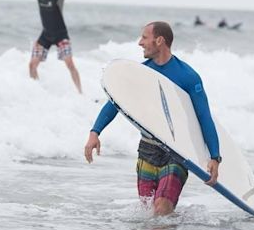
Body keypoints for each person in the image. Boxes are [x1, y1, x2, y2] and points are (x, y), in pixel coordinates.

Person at [84, 21, 221, 216]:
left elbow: (203, 116)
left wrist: (214, 156)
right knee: (148, 213)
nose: (140, 43)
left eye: (144, 37)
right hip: (147, 149)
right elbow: (115, 104)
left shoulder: (188, 76)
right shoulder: (142, 74)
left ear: (159, 40)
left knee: (162, 208)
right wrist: (94, 132)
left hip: (176, 151)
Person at [8, 0, 82, 93]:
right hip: (46, 36)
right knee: (32, 65)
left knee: (70, 64)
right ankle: (37, 91)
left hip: (61, 36)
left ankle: (80, 93)